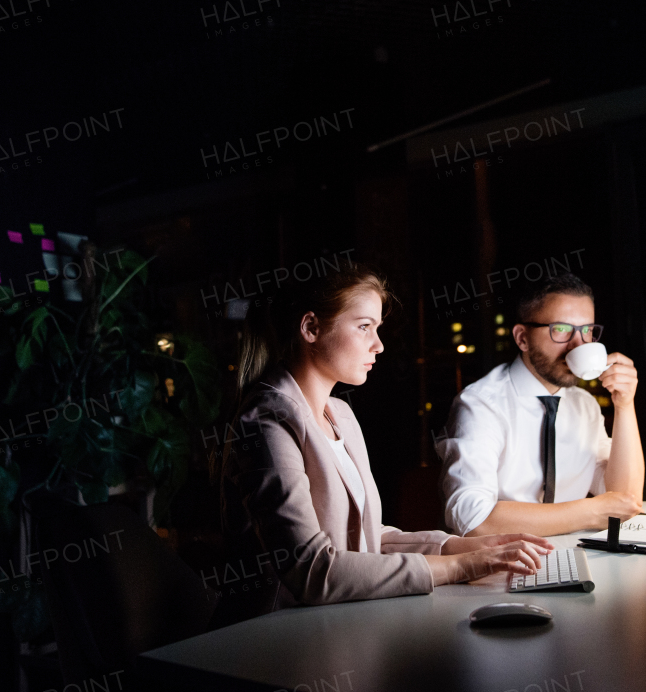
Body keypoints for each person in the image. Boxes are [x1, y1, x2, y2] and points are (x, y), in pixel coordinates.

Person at [216, 261, 552, 619]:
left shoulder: (339, 413)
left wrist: (459, 546)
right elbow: (312, 570)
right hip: (268, 634)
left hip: (329, 622)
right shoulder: (268, 419)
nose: (378, 345)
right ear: (311, 327)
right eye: (364, 327)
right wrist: (462, 566)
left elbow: (364, 538)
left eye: (377, 328)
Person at [436, 272, 645, 537]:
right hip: (502, 565)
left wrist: (625, 405)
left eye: (587, 331)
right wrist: (591, 511)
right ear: (522, 337)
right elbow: (473, 518)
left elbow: (624, 498)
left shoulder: (585, 405)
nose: (578, 345)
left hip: (576, 558)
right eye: (561, 329)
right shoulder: (480, 404)